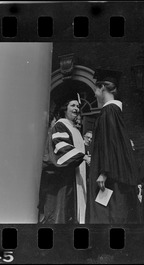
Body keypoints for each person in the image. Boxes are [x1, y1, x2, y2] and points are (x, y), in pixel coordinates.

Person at [87, 69, 139, 224]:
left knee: (105, 217)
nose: (95, 94)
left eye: (96, 89)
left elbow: (110, 144)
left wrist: (104, 171)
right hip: (116, 175)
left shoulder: (108, 112)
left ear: (102, 87)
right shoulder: (116, 112)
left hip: (108, 178)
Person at [38, 92, 91, 224]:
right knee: (61, 214)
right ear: (65, 108)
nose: (76, 109)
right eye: (72, 105)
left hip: (73, 178)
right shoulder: (60, 126)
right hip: (62, 180)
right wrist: (83, 156)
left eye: (78, 106)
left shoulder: (75, 129)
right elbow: (62, 148)